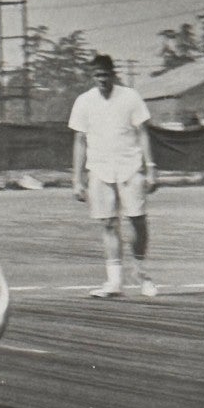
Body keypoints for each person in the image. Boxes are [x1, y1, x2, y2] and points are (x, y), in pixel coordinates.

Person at [69, 54, 158, 297]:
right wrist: (77, 179)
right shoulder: (84, 101)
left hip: (130, 167)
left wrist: (150, 167)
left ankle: (140, 272)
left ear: (113, 74)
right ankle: (114, 282)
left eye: (105, 75)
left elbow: (143, 133)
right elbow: (79, 141)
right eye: (97, 75)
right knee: (108, 223)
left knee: (137, 220)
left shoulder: (130, 97)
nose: (102, 80)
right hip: (99, 168)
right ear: (92, 76)